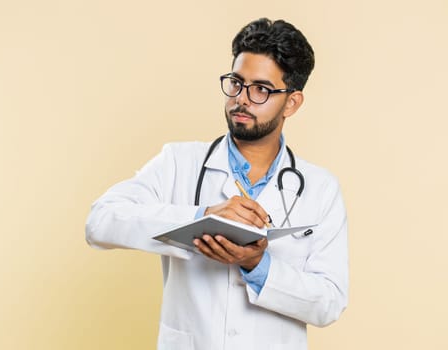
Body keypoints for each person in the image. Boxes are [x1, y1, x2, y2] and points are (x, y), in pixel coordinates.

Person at [86, 18, 348, 350]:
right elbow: (100, 222)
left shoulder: (320, 188)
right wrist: (202, 216)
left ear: (292, 103)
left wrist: (257, 265)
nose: (242, 99)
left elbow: (329, 302)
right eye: (236, 83)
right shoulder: (179, 162)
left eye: (261, 89)